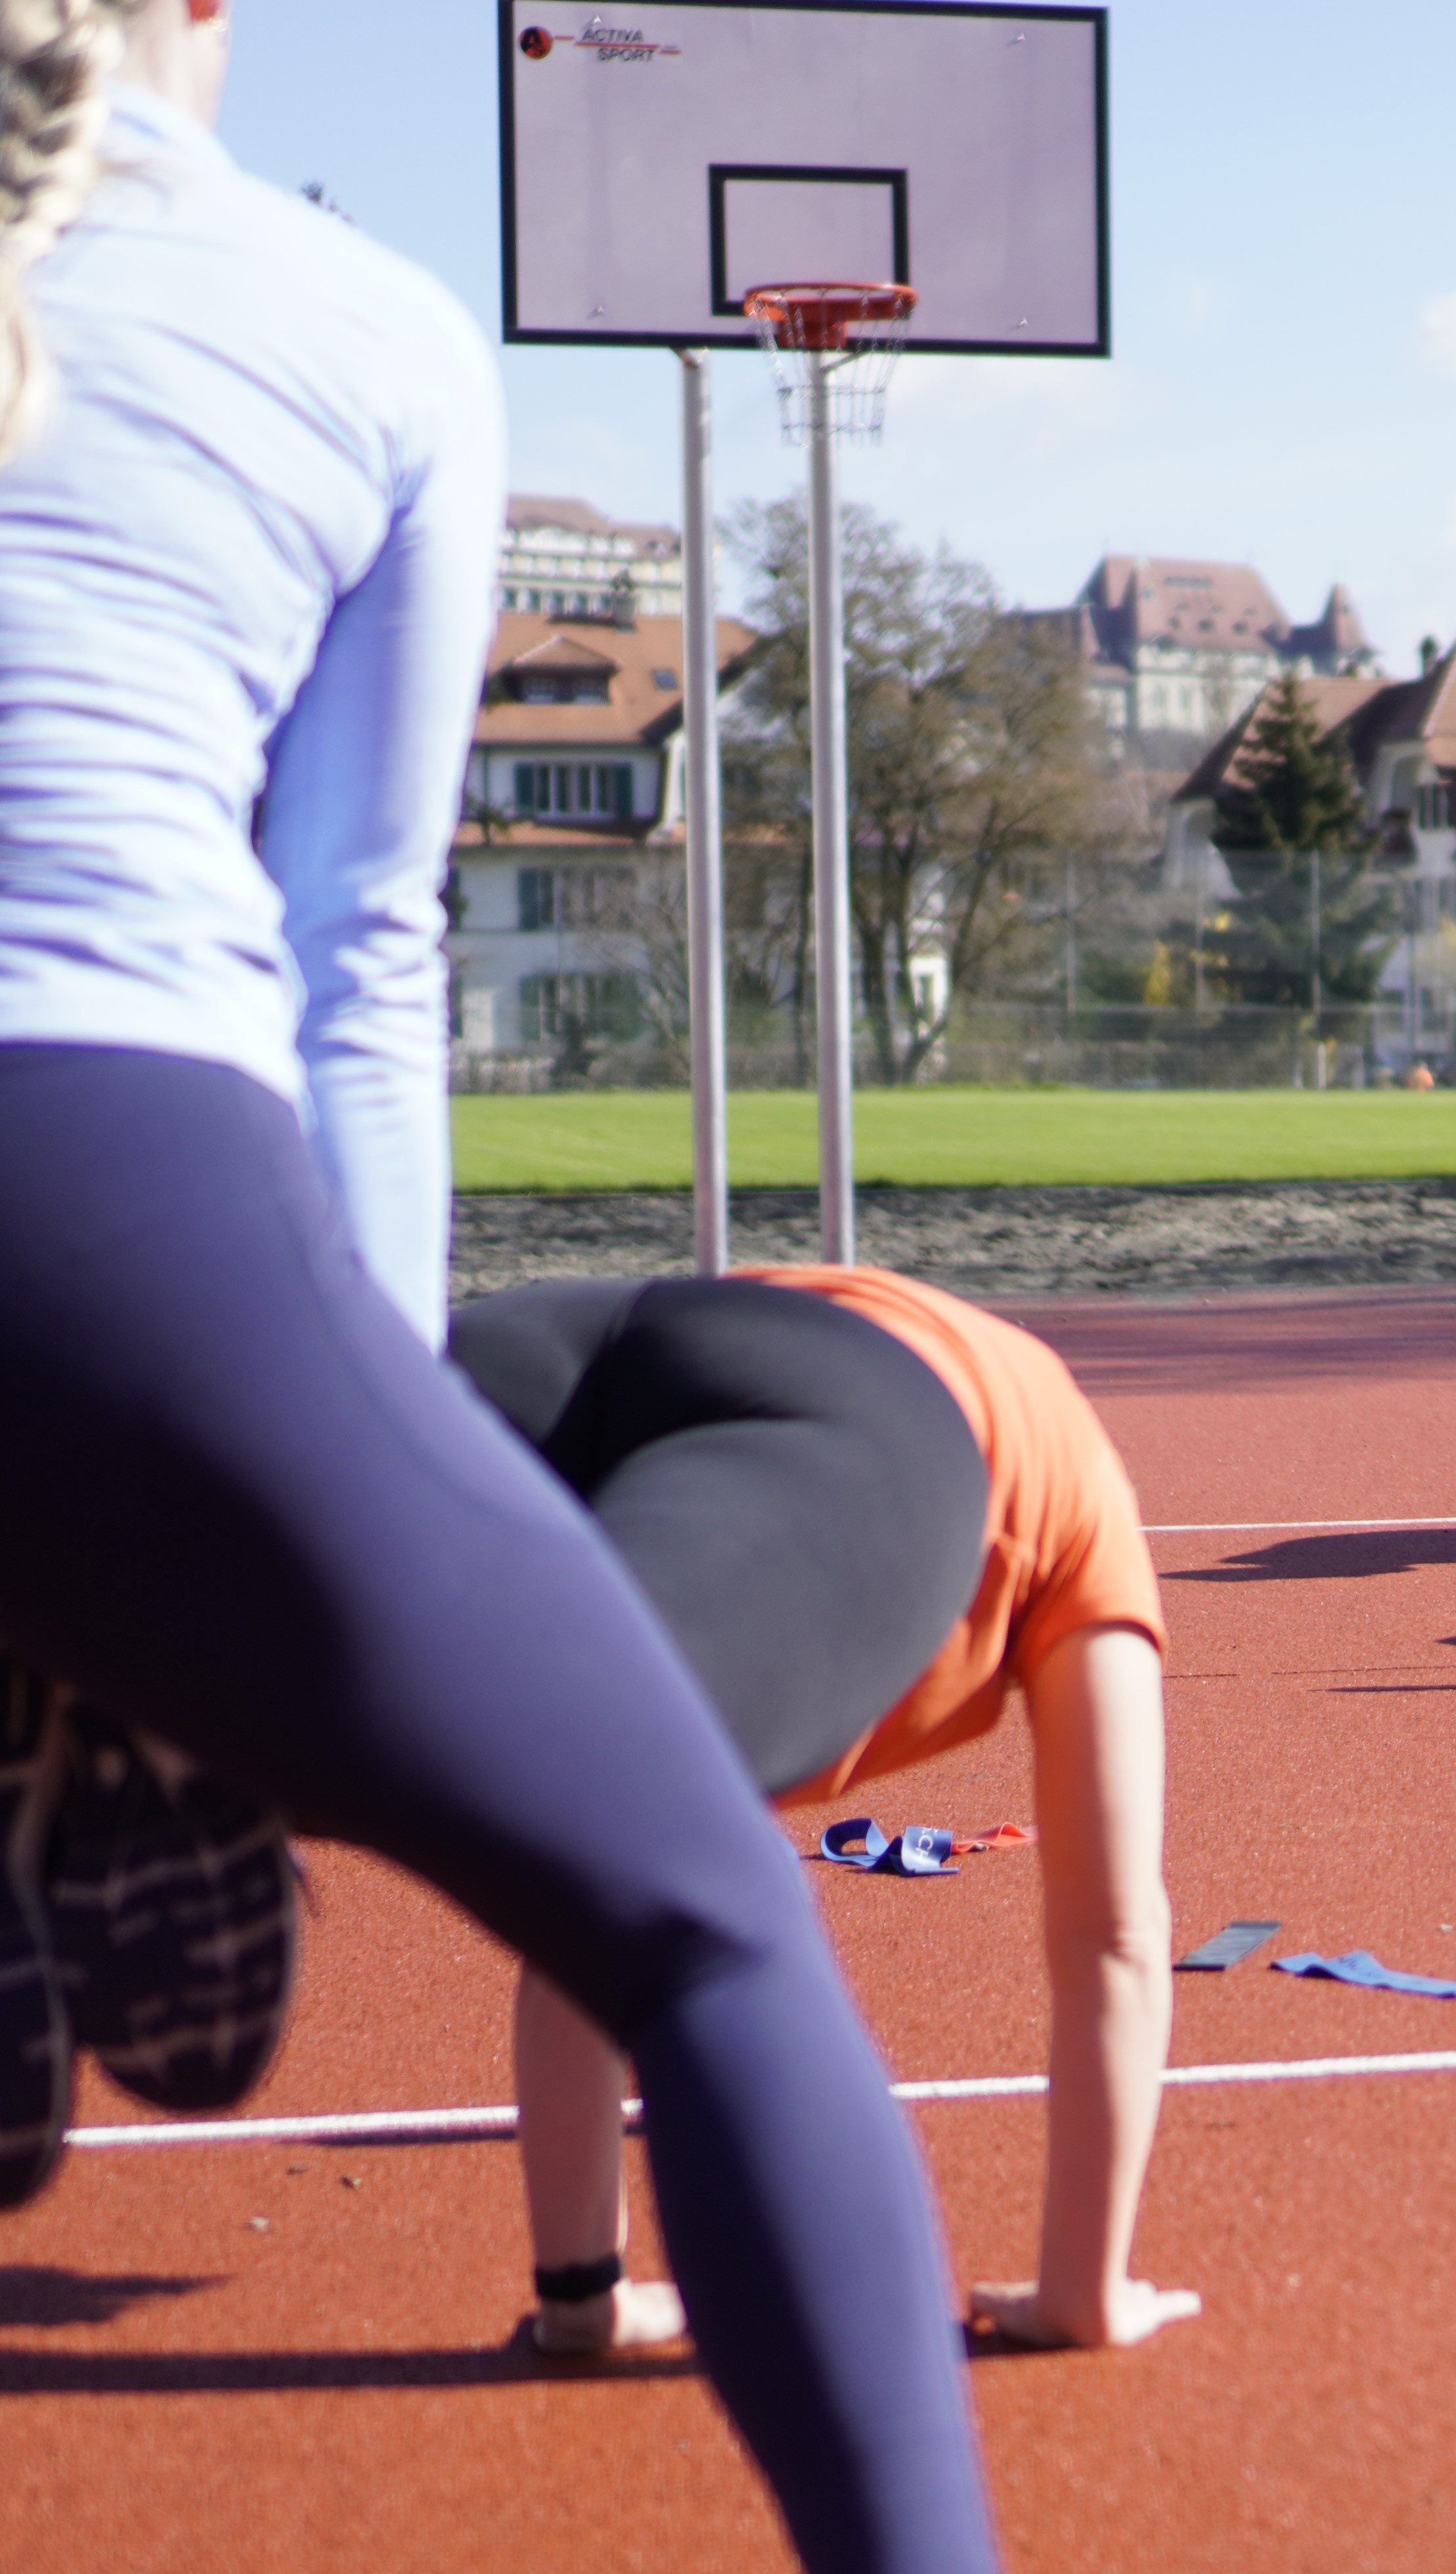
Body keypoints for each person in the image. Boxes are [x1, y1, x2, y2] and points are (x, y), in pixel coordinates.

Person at [0, 7, 1001, 2565]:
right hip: (114, 1195)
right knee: (704, 1928)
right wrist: (352, 1457)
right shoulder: (354, 329)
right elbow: (361, 946)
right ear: (205, 15)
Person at [449, 1267, 1196, 2361]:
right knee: (625, 1815)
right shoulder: (1085, 1515)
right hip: (837, 1421)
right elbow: (1116, 1930)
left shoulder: (1019, 1434)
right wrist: (1085, 2288)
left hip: (588, 1334)